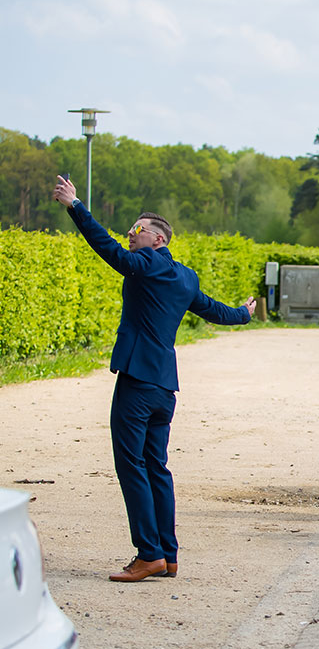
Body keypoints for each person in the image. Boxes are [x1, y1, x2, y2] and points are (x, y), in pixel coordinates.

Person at [51, 175, 256, 582]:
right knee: (156, 467)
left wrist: (76, 206)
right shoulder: (185, 277)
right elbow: (215, 311)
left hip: (138, 381)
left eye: (137, 229)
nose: (129, 233)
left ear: (158, 240)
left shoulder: (146, 264)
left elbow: (109, 251)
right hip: (165, 387)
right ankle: (168, 554)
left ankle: (148, 555)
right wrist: (244, 313)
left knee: (131, 466)